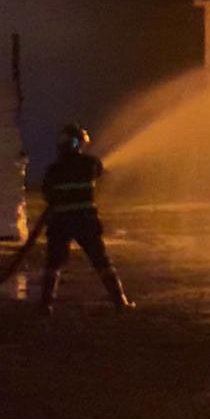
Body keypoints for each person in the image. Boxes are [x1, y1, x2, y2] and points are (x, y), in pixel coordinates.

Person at [39, 123, 135, 315]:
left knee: (53, 264)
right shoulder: (90, 164)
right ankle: (120, 301)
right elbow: (100, 174)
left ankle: (45, 305)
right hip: (86, 221)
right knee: (101, 261)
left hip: (60, 223)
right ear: (79, 143)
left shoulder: (53, 170)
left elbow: (47, 195)